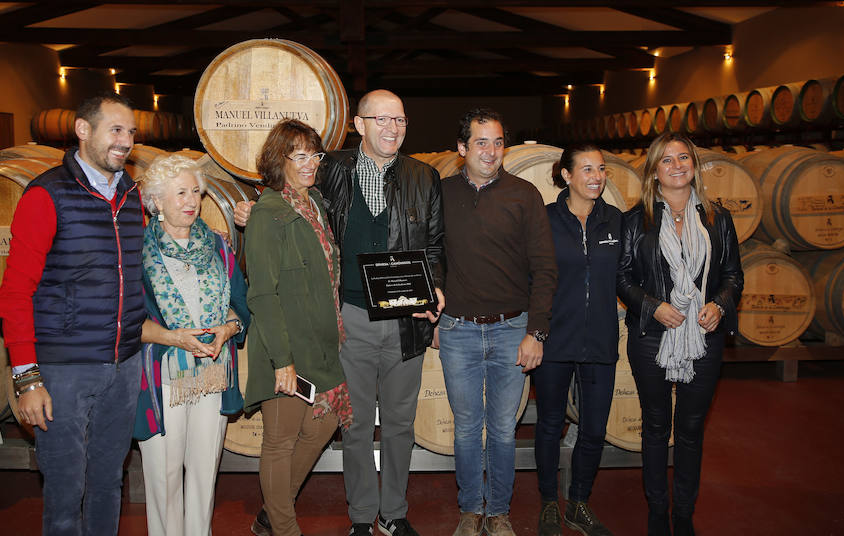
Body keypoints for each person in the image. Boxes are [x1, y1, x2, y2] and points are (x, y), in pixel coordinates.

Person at [235, 90, 444, 536]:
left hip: (406, 319)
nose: (393, 128)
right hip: (349, 318)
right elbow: (284, 195)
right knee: (352, 421)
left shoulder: (424, 176)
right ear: (359, 124)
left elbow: (435, 245)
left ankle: (394, 513)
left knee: (400, 424)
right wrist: (250, 211)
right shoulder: (331, 170)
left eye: (401, 120)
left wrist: (436, 286)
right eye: (382, 119)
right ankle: (362, 516)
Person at [0, 91, 144, 535]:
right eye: (115, 129)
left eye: (131, 132)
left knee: (107, 485)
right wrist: (27, 377)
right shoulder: (46, 195)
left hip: (124, 365)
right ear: (83, 130)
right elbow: (15, 293)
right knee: (64, 491)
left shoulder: (131, 195)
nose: (125, 141)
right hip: (64, 371)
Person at [437, 108, 557, 536]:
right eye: (481, 142)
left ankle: (499, 511)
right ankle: (471, 509)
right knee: (468, 428)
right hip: (457, 331)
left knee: (504, 430)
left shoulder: (524, 194)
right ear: (462, 148)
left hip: (512, 329)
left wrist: (535, 332)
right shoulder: (442, 192)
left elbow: (545, 269)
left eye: (498, 142)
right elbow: (429, 254)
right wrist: (432, 308)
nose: (491, 151)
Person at [616, 133, 743, 536]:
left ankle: (684, 512)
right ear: (654, 170)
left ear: (694, 165)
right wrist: (654, 306)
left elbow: (733, 275)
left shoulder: (717, 218)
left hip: (703, 337)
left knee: (689, 429)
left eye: (683, 158)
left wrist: (719, 304)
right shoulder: (636, 220)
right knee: (655, 426)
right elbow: (620, 279)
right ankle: (657, 509)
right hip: (653, 334)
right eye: (666, 160)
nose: (676, 165)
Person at [244, 119, 354, 536]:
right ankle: (286, 528)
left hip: (321, 342)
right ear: (279, 160)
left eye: (315, 155)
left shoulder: (316, 206)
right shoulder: (268, 214)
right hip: (285, 343)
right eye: (300, 156)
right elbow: (263, 295)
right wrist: (282, 360)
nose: (311, 164)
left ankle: (273, 512)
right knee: (280, 440)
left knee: (323, 425)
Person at [132, 154, 250, 536]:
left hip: (214, 373)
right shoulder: (137, 252)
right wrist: (172, 337)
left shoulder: (217, 244)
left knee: (203, 471)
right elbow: (124, 323)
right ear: (157, 201)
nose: (191, 201)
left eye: (196, 192)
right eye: (180, 192)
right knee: (164, 475)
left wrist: (228, 330)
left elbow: (242, 304)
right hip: (163, 377)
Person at [534, 145, 622, 536]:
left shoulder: (616, 221)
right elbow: (531, 278)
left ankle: (579, 503)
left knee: (594, 429)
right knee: (550, 424)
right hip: (556, 337)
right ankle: (550, 503)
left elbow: (631, 276)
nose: (596, 176)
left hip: (601, 338)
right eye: (586, 169)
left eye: (601, 169)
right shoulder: (546, 220)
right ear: (566, 176)